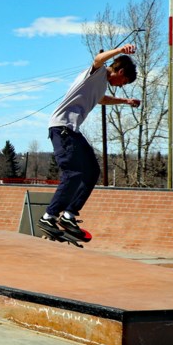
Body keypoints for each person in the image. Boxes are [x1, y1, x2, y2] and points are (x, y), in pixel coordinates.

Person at [39, 44, 140, 243]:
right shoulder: (98, 72)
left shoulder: (101, 84)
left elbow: (101, 100)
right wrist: (120, 50)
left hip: (71, 130)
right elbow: (98, 58)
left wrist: (125, 101)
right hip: (62, 128)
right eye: (124, 81)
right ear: (120, 72)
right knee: (73, 173)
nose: (121, 85)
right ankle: (49, 216)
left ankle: (68, 215)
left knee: (92, 170)